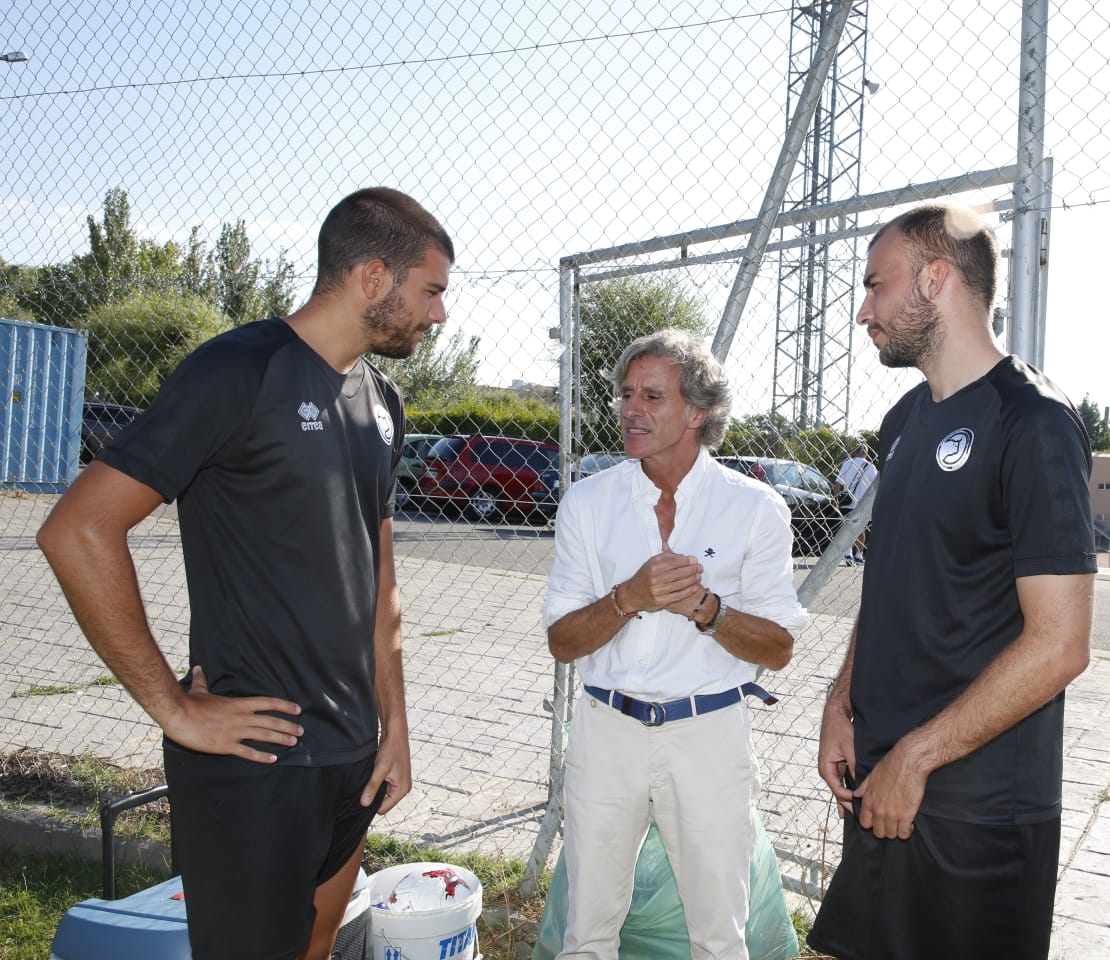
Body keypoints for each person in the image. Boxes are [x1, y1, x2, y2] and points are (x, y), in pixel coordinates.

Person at [37, 187, 453, 960]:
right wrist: (175, 708)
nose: (438, 315)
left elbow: (380, 583)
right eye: (430, 290)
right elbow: (77, 530)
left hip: (351, 750)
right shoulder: (237, 370)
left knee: (320, 937)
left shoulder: (383, 400)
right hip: (253, 758)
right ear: (372, 276)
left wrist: (393, 727)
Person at [809, 204, 1096, 959]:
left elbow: (1061, 645)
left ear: (937, 279)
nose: (863, 310)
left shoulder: (1032, 422)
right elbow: (893, 585)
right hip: (886, 781)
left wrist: (919, 756)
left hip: (976, 809)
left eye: (876, 285)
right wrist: (844, 699)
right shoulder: (904, 420)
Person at [544, 328, 809, 960]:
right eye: (626, 395)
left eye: (652, 396)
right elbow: (561, 642)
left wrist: (705, 608)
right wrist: (627, 597)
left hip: (709, 736)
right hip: (606, 731)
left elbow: (777, 648)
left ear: (697, 411)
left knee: (719, 935)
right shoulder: (588, 501)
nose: (630, 410)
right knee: (587, 930)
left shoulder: (754, 507)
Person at [832, 443, 877, 566]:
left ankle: (848, 553)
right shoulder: (870, 467)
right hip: (862, 503)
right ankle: (859, 555)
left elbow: (837, 484)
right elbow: (875, 486)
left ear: (855, 452)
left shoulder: (847, 464)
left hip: (847, 502)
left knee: (847, 528)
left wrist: (836, 499)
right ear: (866, 453)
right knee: (860, 529)